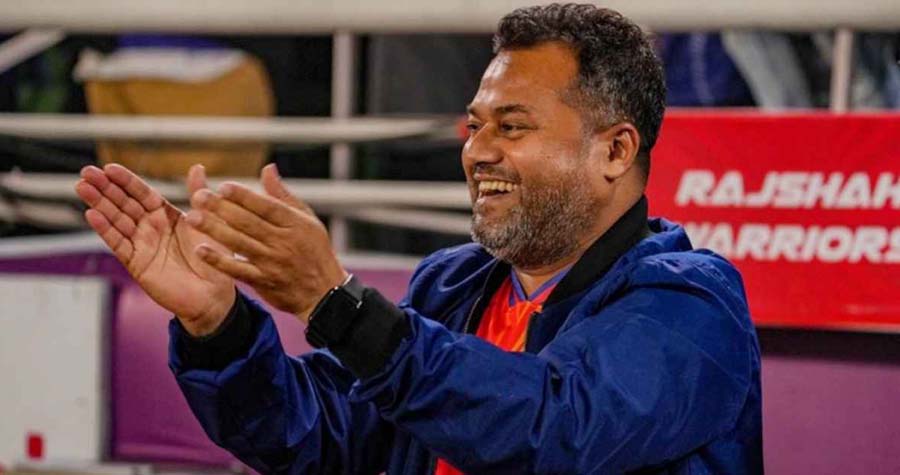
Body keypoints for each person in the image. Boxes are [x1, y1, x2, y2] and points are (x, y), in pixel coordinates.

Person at [75, 4, 763, 474]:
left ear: (615, 151)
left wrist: (338, 306)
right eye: (475, 125)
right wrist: (217, 325)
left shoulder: (692, 305)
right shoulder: (451, 284)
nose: (478, 151)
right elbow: (317, 436)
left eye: (512, 127)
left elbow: (552, 430)